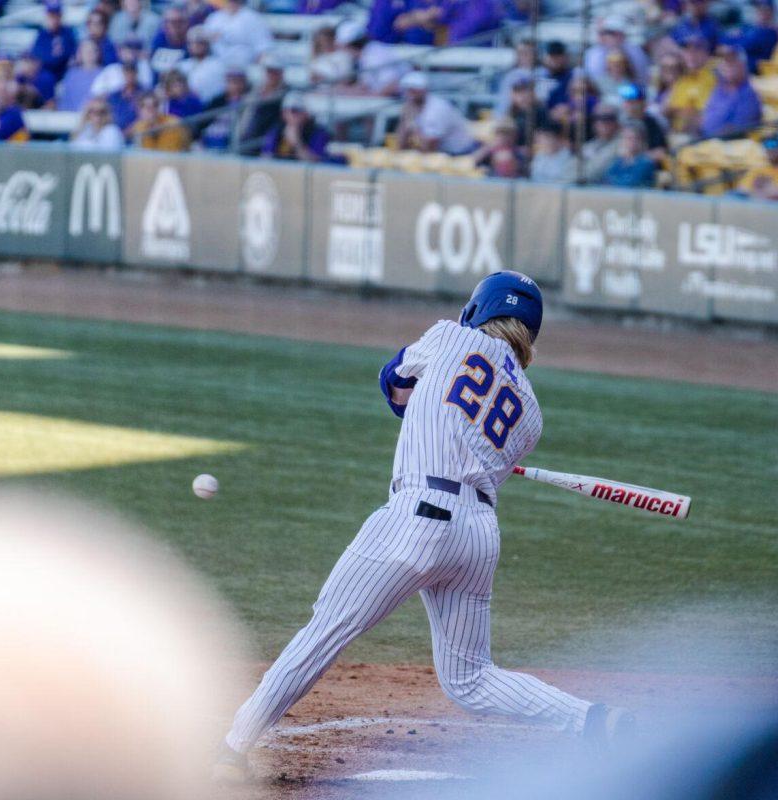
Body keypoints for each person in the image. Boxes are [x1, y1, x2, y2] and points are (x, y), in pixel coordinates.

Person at [212, 273, 636, 782]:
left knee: (325, 630)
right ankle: (592, 720)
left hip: (416, 518)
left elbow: (393, 383)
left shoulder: (447, 336)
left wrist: (425, 401)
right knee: (470, 680)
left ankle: (230, 750)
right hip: (478, 538)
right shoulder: (531, 416)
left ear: (475, 310)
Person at [394, 71, 477, 155]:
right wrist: (405, 122)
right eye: (408, 90)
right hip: (445, 153)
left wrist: (411, 124)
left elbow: (429, 149)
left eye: (414, 90)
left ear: (424, 90)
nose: (410, 93)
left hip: (463, 153)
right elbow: (400, 146)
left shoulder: (437, 109)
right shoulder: (411, 107)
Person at [699, 45, 762, 138]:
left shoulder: (748, 95)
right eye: (724, 61)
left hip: (728, 146)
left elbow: (737, 131)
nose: (727, 65)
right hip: (704, 140)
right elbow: (704, 119)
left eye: (732, 62)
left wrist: (705, 139)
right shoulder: (718, 89)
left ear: (743, 65)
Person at [260, 92, 338, 162]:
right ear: (283, 114)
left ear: (306, 113)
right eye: (289, 111)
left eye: (296, 111)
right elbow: (266, 158)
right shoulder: (276, 131)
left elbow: (315, 163)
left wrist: (297, 143)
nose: (293, 115)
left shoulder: (318, 133)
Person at [665, 35, 715, 134]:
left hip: (700, 134)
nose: (691, 55)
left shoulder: (713, 75)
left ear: (706, 53)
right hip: (676, 133)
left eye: (696, 50)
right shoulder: (682, 79)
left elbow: (704, 117)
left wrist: (679, 111)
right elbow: (668, 110)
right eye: (687, 51)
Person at [205, 0, 273, 70]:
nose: (232, 2)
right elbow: (204, 39)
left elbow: (263, 45)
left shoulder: (253, 18)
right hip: (216, 61)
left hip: (243, 62)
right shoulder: (215, 17)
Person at [583, 16, 649, 84]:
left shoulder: (634, 50)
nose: (608, 36)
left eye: (611, 33)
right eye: (604, 33)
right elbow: (594, 77)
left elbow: (641, 75)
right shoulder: (593, 53)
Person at [738, 131, 778, 199]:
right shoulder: (759, 169)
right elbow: (742, 190)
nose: (769, 148)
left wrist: (758, 189)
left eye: (773, 144)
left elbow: (777, 195)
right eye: (766, 144)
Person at [197, 66, 249, 149]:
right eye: (232, 81)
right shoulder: (217, 100)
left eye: (238, 81)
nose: (235, 85)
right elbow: (204, 121)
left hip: (232, 139)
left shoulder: (248, 100)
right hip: (211, 138)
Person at [724, 0, 778, 74]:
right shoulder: (748, 27)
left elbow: (746, 45)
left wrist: (732, 45)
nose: (762, 13)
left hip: (755, 69)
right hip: (740, 64)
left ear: (772, 12)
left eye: (766, 10)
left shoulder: (771, 32)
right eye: (759, 9)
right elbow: (725, 39)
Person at [619, 83, 668, 163]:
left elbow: (661, 151)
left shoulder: (652, 123)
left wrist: (637, 158)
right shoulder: (623, 121)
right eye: (626, 101)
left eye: (632, 102)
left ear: (643, 104)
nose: (628, 105)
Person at [30, 0, 76, 82]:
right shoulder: (42, 35)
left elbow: (72, 54)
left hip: (64, 73)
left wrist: (60, 55)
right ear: (47, 16)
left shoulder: (68, 33)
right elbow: (38, 56)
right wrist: (55, 56)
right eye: (51, 16)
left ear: (61, 16)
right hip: (47, 73)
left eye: (56, 15)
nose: (54, 19)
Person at [179, 25, 226, 103]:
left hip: (209, 106)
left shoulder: (217, 65)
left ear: (207, 43)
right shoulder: (182, 65)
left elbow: (219, 91)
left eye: (199, 42)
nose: (196, 46)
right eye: (192, 43)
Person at [603, 121, 656, 187]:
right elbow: (607, 179)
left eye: (636, 138)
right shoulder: (617, 162)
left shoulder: (646, 163)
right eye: (628, 138)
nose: (632, 142)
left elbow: (632, 184)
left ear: (642, 141)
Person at [56, 39, 103, 112]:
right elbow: (64, 100)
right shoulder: (71, 75)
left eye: (93, 51)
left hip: (96, 117)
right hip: (71, 116)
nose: (89, 54)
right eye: (86, 51)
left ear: (98, 53)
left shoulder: (104, 74)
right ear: (80, 54)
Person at [580, 102, 621, 183]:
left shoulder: (623, 143)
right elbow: (568, 172)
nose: (603, 123)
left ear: (617, 122)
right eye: (598, 118)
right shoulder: (588, 146)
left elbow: (594, 173)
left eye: (608, 118)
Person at [506, 73, 547, 148]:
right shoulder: (511, 111)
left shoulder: (541, 112)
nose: (523, 95)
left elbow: (543, 139)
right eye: (518, 91)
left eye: (526, 90)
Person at [106, 59, 147, 130]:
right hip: (115, 131)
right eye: (127, 72)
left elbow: (145, 116)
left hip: (137, 132)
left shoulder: (145, 93)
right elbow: (108, 114)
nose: (130, 76)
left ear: (136, 73)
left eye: (132, 72)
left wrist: (129, 131)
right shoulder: (114, 95)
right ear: (123, 74)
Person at [150, 6, 190, 75]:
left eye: (179, 21)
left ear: (186, 23)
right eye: (172, 22)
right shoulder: (159, 41)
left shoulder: (192, 43)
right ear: (165, 24)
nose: (176, 25)